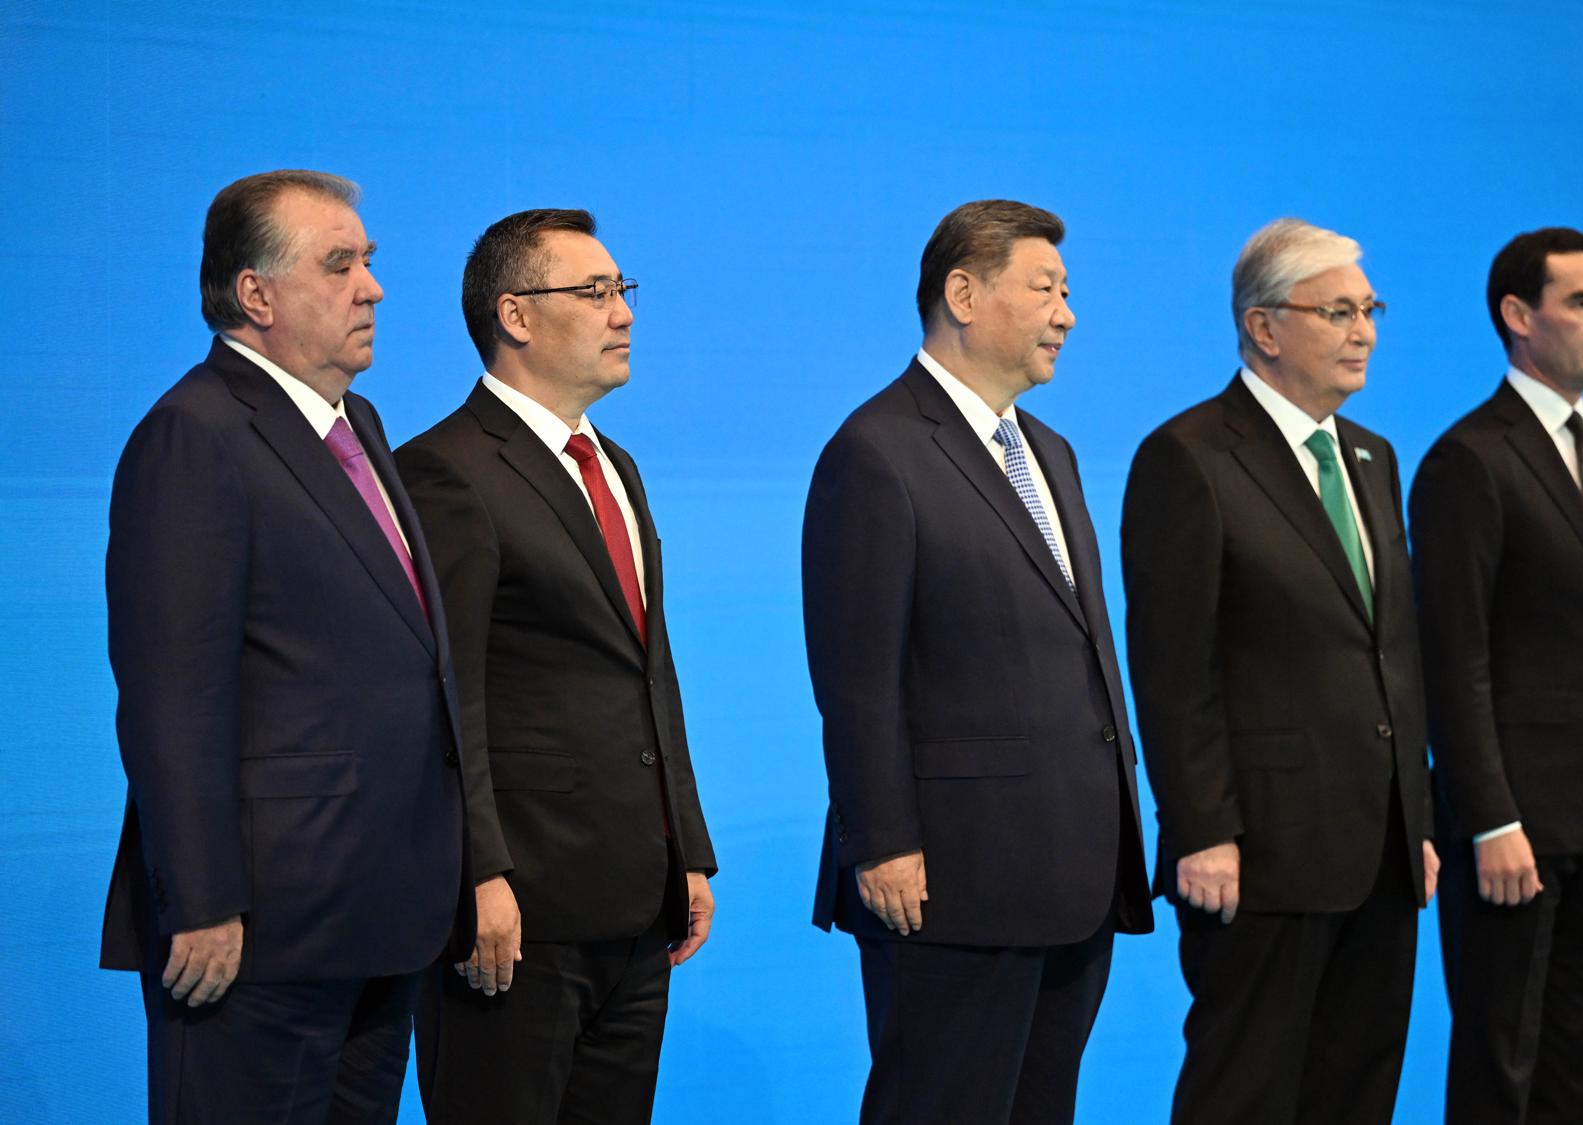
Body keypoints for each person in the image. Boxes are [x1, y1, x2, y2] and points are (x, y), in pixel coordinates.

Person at [100, 169, 473, 1123]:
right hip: (260, 930)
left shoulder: (358, 424)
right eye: (339, 265)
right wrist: (201, 897)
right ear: (255, 294)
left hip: (379, 917)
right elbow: (171, 695)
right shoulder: (193, 434)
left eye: (369, 261)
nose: (372, 287)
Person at [801, 199, 1153, 1124]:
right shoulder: (875, 450)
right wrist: (882, 840)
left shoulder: (1051, 452)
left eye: (1066, 292)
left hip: (1073, 875)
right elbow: (857, 678)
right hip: (952, 884)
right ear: (963, 294)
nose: (1067, 314)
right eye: (1046, 289)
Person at [395, 208, 718, 1124]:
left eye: (623, 289)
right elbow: (443, 699)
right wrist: (475, 874)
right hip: (515, 915)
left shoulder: (615, 465)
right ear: (516, 315)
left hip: (635, 905)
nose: (623, 312)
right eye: (595, 291)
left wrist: (686, 849)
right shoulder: (447, 470)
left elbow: (648, 671)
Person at [1121, 218, 1436, 1124]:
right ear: (1263, 327)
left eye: (1369, 310)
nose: (1364, 332)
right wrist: (1201, 828)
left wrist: (1415, 815)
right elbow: (1173, 668)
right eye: (1338, 312)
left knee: (1357, 1092)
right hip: (1259, 851)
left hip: (1380, 850)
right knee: (1246, 1094)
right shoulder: (1189, 456)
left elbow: (1390, 652)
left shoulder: (1373, 456)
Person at [1409, 226, 1583, 1123]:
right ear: (1519, 316)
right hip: (1512, 828)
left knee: (1575, 1059)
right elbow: (1454, 658)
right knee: (1501, 1064)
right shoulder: (1469, 458)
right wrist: (1490, 817)